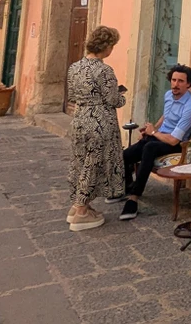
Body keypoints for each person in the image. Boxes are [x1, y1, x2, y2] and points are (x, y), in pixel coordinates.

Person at [119, 64, 191, 221]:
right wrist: (152, 129)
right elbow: (166, 116)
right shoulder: (169, 95)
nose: (175, 84)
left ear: (188, 84)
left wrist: (154, 133)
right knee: (125, 155)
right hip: (160, 136)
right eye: (173, 80)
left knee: (149, 147)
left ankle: (133, 199)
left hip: (176, 144)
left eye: (181, 81)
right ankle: (128, 187)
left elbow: (174, 140)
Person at [66, 26, 126, 231]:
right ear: (106, 46)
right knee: (94, 164)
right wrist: (122, 97)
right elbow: (113, 99)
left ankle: (79, 205)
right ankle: (81, 210)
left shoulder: (74, 67)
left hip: (79, 119)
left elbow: (72, 95)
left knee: (80, 162)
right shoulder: (104, 70)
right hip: (99, 122)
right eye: (112, 46)